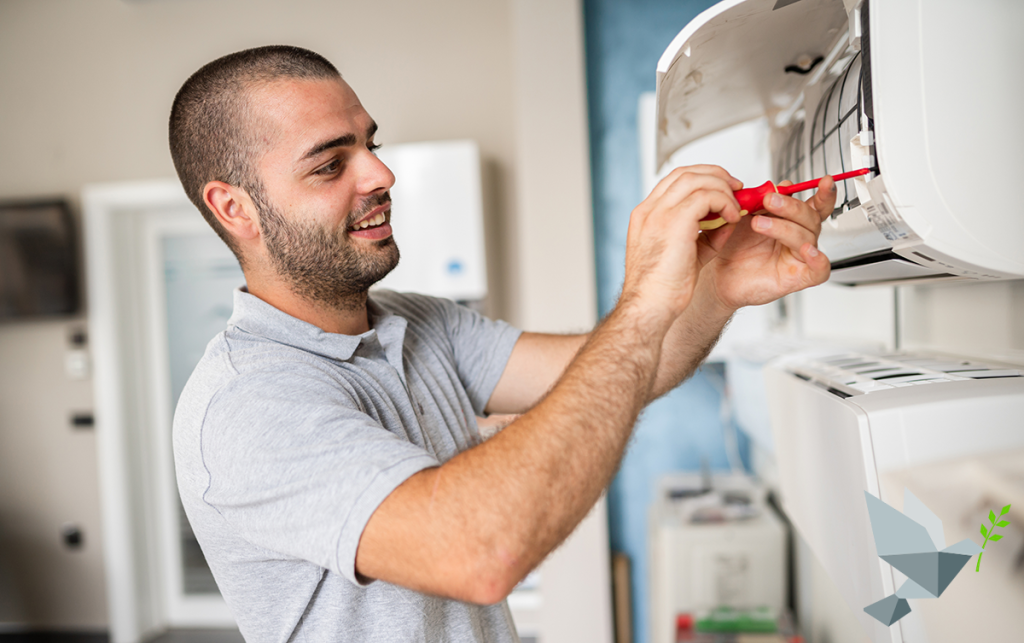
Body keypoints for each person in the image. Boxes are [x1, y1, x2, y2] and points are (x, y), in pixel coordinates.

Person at [169, 45, 836, 642]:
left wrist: (718, 286)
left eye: (371, 144)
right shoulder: (244, 404)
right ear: (236, 208)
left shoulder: (415, 323)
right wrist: (642, 304)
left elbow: (633, 366)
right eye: (329, 164)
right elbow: (478, 551)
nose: (379, 175)